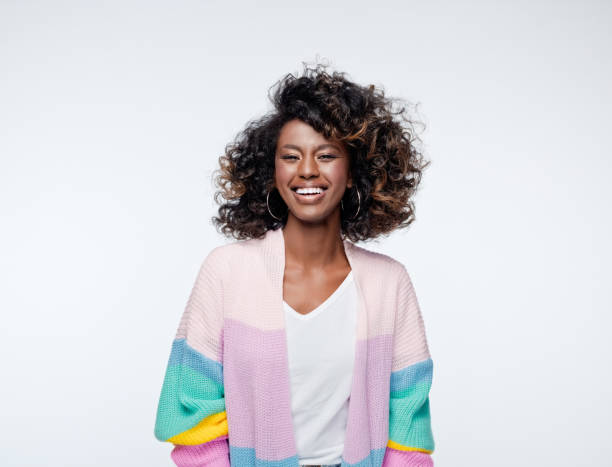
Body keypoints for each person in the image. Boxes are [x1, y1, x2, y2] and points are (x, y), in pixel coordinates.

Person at [153, 62, 435, 467]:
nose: (307, 170)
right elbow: (191, 415)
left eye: (326, 155)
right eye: (291, 156)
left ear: (354, 173)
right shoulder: (226, 272)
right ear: (272, 171)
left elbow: (408, 429)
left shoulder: (389, 283)